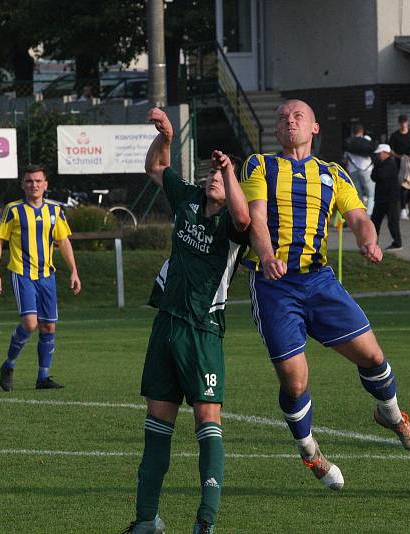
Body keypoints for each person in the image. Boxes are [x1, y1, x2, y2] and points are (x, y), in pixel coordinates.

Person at [240, 99, 410, 493]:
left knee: (373, 356)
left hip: (319, 282)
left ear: (315, 128)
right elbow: (255, 217)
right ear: (276, 130)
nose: (289, 122)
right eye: (282, 118)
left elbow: (359, 217)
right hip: (274, 286)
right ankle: (310, 451)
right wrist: (269, 255)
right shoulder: (260, 165)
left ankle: (391, 414)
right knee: (294, 382)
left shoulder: (332, 173)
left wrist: (368, 241)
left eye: (298, 117)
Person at [124, 108, 249, 534]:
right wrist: (167, 136)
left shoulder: (235, 227)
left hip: (203, 332)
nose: (213, 176)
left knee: (206, 419)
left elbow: (246, 218)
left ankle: (205, 521)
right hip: (167, 327)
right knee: (157, 424)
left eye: (221, 175)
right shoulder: (188, 199)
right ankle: (146, 520)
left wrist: (230, 171)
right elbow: (155, 166)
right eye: (212, 172)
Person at [0, 165, 81, 391]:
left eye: (38, 181)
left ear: (46, 184)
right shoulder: (13, 210)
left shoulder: (55, 210)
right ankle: (8, 365)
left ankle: (43, 377)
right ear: (23, 185)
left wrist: (74, 271)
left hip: (47, 275)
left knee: (49, 327)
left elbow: (64, 242)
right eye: (29, 181)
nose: (34, 185)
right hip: (22, 273)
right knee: (30, 323)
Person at [371, 143, 402, 251]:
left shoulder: (391, 163)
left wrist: (376, 168)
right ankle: (373, 242)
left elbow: (380, 175)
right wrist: (376, 166)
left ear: (385, 153)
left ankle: (397, 243)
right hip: (380, 198)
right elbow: (373, 177)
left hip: (390, 198)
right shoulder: (380, 163)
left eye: (379, 154)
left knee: (392, 221)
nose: (378, 156)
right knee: (375, 221)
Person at [388, 114, 410, 218]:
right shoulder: (395, 135)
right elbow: (391, 150)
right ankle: (402, 209)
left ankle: (406, 203)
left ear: (408, 122)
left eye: (405, 122)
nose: (403, 124)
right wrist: (399, 156)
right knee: (402, 186)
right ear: (399, 123)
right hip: (399, 164)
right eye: (402, 122)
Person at [343, 123, 375, 216]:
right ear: (362, 131)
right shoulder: (367, 140)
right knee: (371, 194)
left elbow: (345, 158)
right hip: (367, 169)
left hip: (353, 170)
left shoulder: (348, 142)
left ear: (353, 132)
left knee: (358, 194)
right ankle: (368, 215)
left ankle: (359, 215)